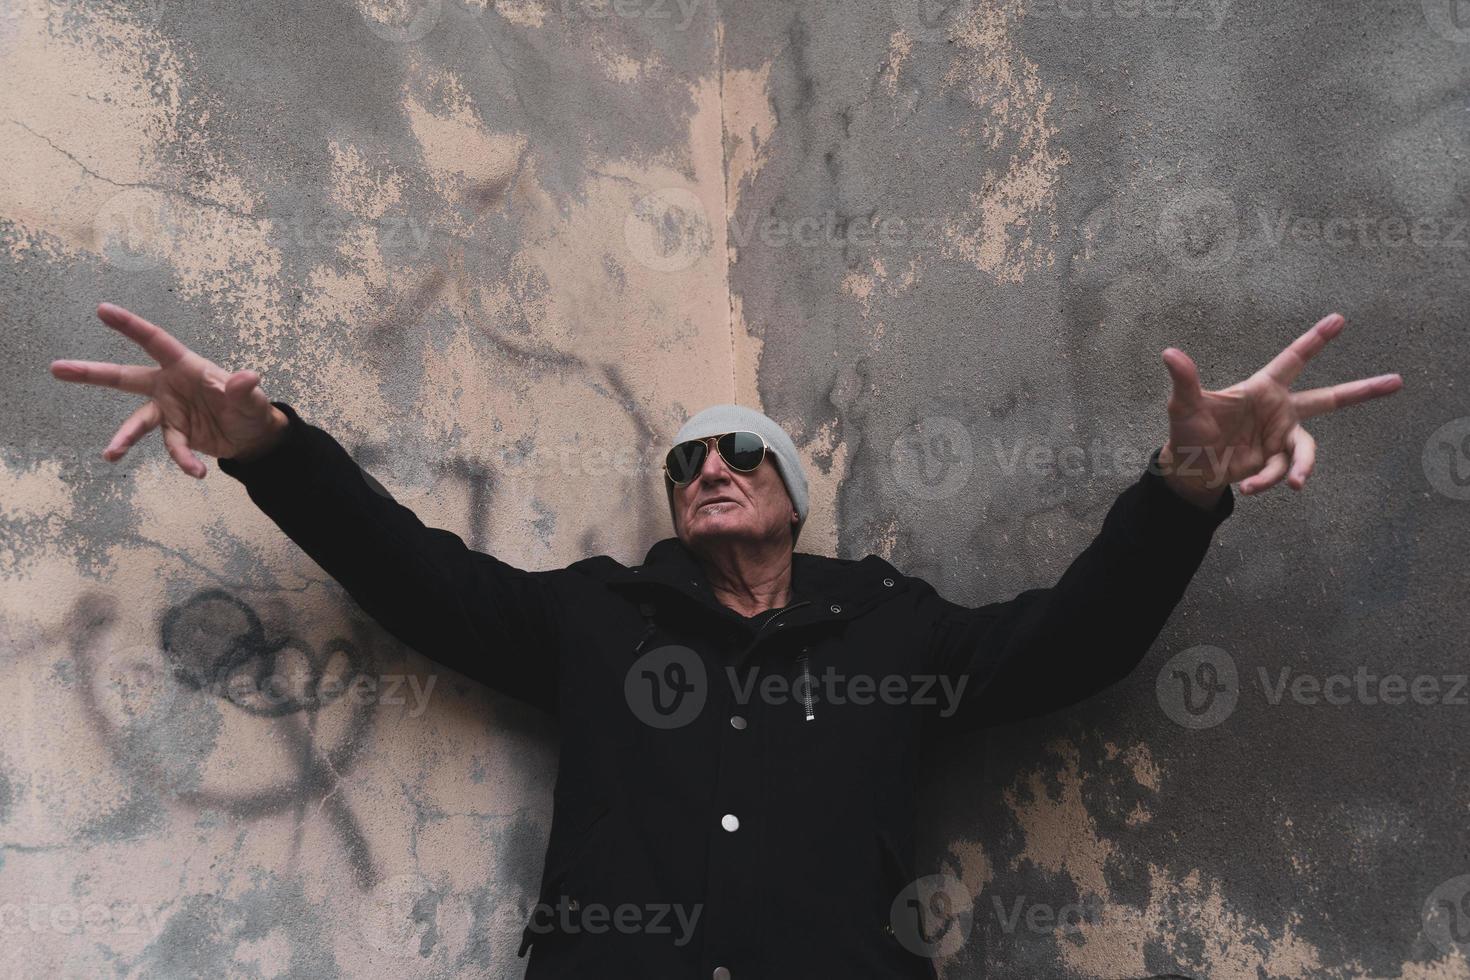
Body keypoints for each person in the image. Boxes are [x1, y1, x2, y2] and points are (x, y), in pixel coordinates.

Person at [51, 303, 1402, 979]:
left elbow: (1074, 645)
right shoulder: (589, 618)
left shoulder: (894, 626)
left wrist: (1183, 490)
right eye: (683, 456)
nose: (704, 465)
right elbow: (411, 575)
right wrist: (267, 449)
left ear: (791, 491)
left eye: (736, 449)